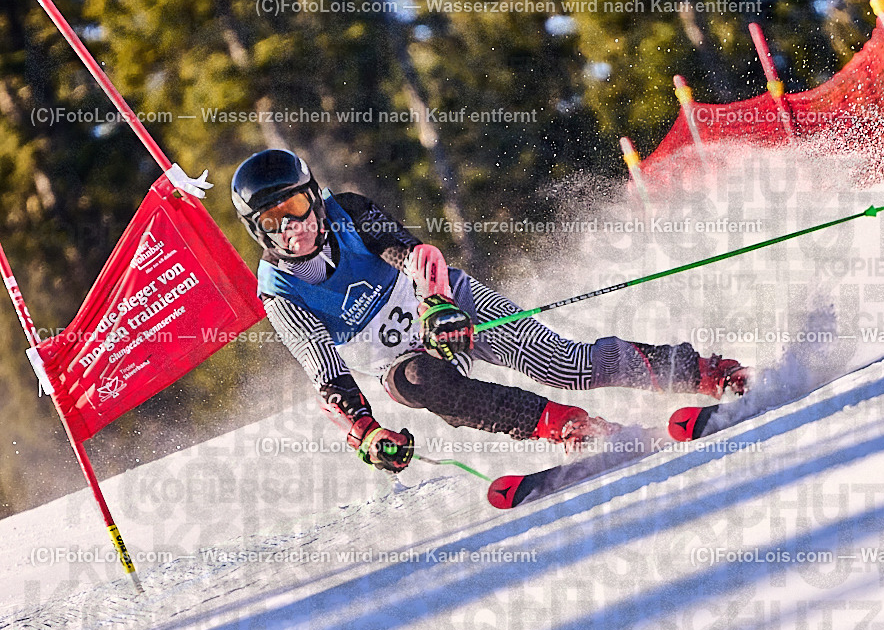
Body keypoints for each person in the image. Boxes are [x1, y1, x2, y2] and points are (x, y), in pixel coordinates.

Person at [231, 149, 747, 473]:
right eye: (272, 222)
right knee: (416, 384)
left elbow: (413, 255)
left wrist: (436, 303)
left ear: (314, 199)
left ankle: (703, 371)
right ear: (257, 230)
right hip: (402, 359)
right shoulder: (280, 291)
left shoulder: (350, 211)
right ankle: (566, 427)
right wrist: (367, 433)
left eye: (295, 209)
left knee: (567, 366)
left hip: (449, 307)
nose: (290, 229)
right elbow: (326, 371)